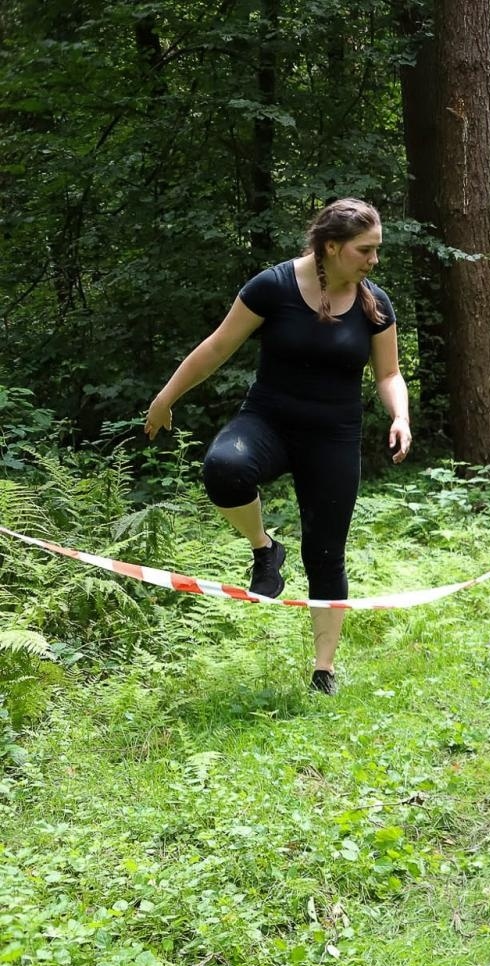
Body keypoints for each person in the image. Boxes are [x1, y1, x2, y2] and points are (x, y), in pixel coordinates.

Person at [143, 198, 410, 694]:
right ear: (332, 246)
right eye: (365, 250)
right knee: (224, 468)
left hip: (333, 435)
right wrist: (165, 398)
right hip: (268, 420)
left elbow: (389, 373)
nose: (374, 261)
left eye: (376, 251)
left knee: (326, 552)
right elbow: (218, 346)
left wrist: (401, 414)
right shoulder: (273, 287)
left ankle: (324, 669)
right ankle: (265, 550)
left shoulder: (375, 303)